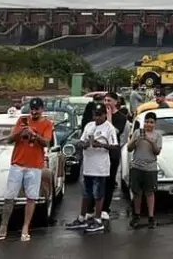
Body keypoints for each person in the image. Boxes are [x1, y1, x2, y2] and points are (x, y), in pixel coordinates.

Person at [0, 98, 54, 243]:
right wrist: (20, 133)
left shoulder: (47, 123)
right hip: (17, 163)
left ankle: (25, 228)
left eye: (37, 109)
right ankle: (2, 228)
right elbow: (11, 139)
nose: (34, 112)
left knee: (31, 197)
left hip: (35, 165)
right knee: (9, 197)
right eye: (32, 109)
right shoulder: (22, 120)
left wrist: (33, 134)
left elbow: (46, 142)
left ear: (42, 109)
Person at [66, 105, 120, 233]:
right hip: (88, 165)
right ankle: (82, 217)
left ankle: (98, 219)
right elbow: (80, 141)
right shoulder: (89, 126)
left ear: (104, 115)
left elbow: (115, 146)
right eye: (95, 115)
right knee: (86, 193)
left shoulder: (109, 128)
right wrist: (83, 144)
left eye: (99, 115)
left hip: (100, 167)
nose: (97, 118)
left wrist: (101, 145)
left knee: (98, 194)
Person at [126, 112, 162, 229]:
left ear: (155, 124)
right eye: (147, 122)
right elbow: (129, 148)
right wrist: (135, 140)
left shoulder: (157, 135)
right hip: (137, 167)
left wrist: (149, 140)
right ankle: (136, 215)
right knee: (137, 192)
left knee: (150, 193)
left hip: (150, 168)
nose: (148, 125)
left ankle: (151, 217)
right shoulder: (137, 132)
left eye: (151, 122)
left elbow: (157, 151)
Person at [101, 93, 129, 222]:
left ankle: (105, 208)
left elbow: (113, 132)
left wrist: (109, 117)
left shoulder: (121, 117)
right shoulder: (100, 114)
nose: (106, 103)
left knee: (110, 180)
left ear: (116, 102)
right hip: (100, 152)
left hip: (113, 152)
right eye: (105, 100)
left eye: (109, 100)